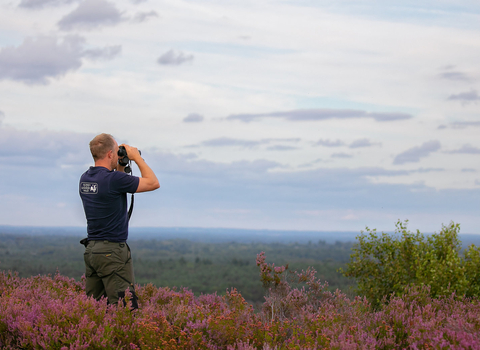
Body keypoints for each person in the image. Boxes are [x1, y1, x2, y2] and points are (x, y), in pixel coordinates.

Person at [79, 133, 159, 309]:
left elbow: (115, 185)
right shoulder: (114, 180)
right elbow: (153, 183)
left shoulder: (86, 179)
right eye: (116, 151)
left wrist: (120, 164)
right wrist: (136, 157)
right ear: (109, 154)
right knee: (126, 308)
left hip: (92, 251)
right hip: (112, 252)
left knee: (95, 309)